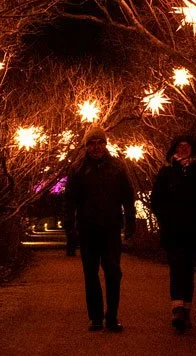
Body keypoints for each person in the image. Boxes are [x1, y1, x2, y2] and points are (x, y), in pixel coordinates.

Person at [63, 128, 136, 332]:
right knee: (91, 273)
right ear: (86, 146)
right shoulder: (78, 169)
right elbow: (69, 200)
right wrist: (70, 226)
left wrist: (130, 222)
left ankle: (111, 316)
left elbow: (128, 196)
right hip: (87, 229)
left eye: (100, 142)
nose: (96, 147)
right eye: (92, 143)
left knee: (113, 273)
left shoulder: (117, 167)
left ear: (105, 144)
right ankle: (95, 317)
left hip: (111, 229)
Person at [150, 134, 196, 333]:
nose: (183, 149)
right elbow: (156, 200)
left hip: (194, 229)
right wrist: (165, 218)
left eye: (186, 146)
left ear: (192, 148)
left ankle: (186, 309)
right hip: (173, 229)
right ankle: (177, 308)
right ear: (174, 149)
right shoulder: (167, 172)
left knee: (188, 269)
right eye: (180, 146)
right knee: (176, 267)